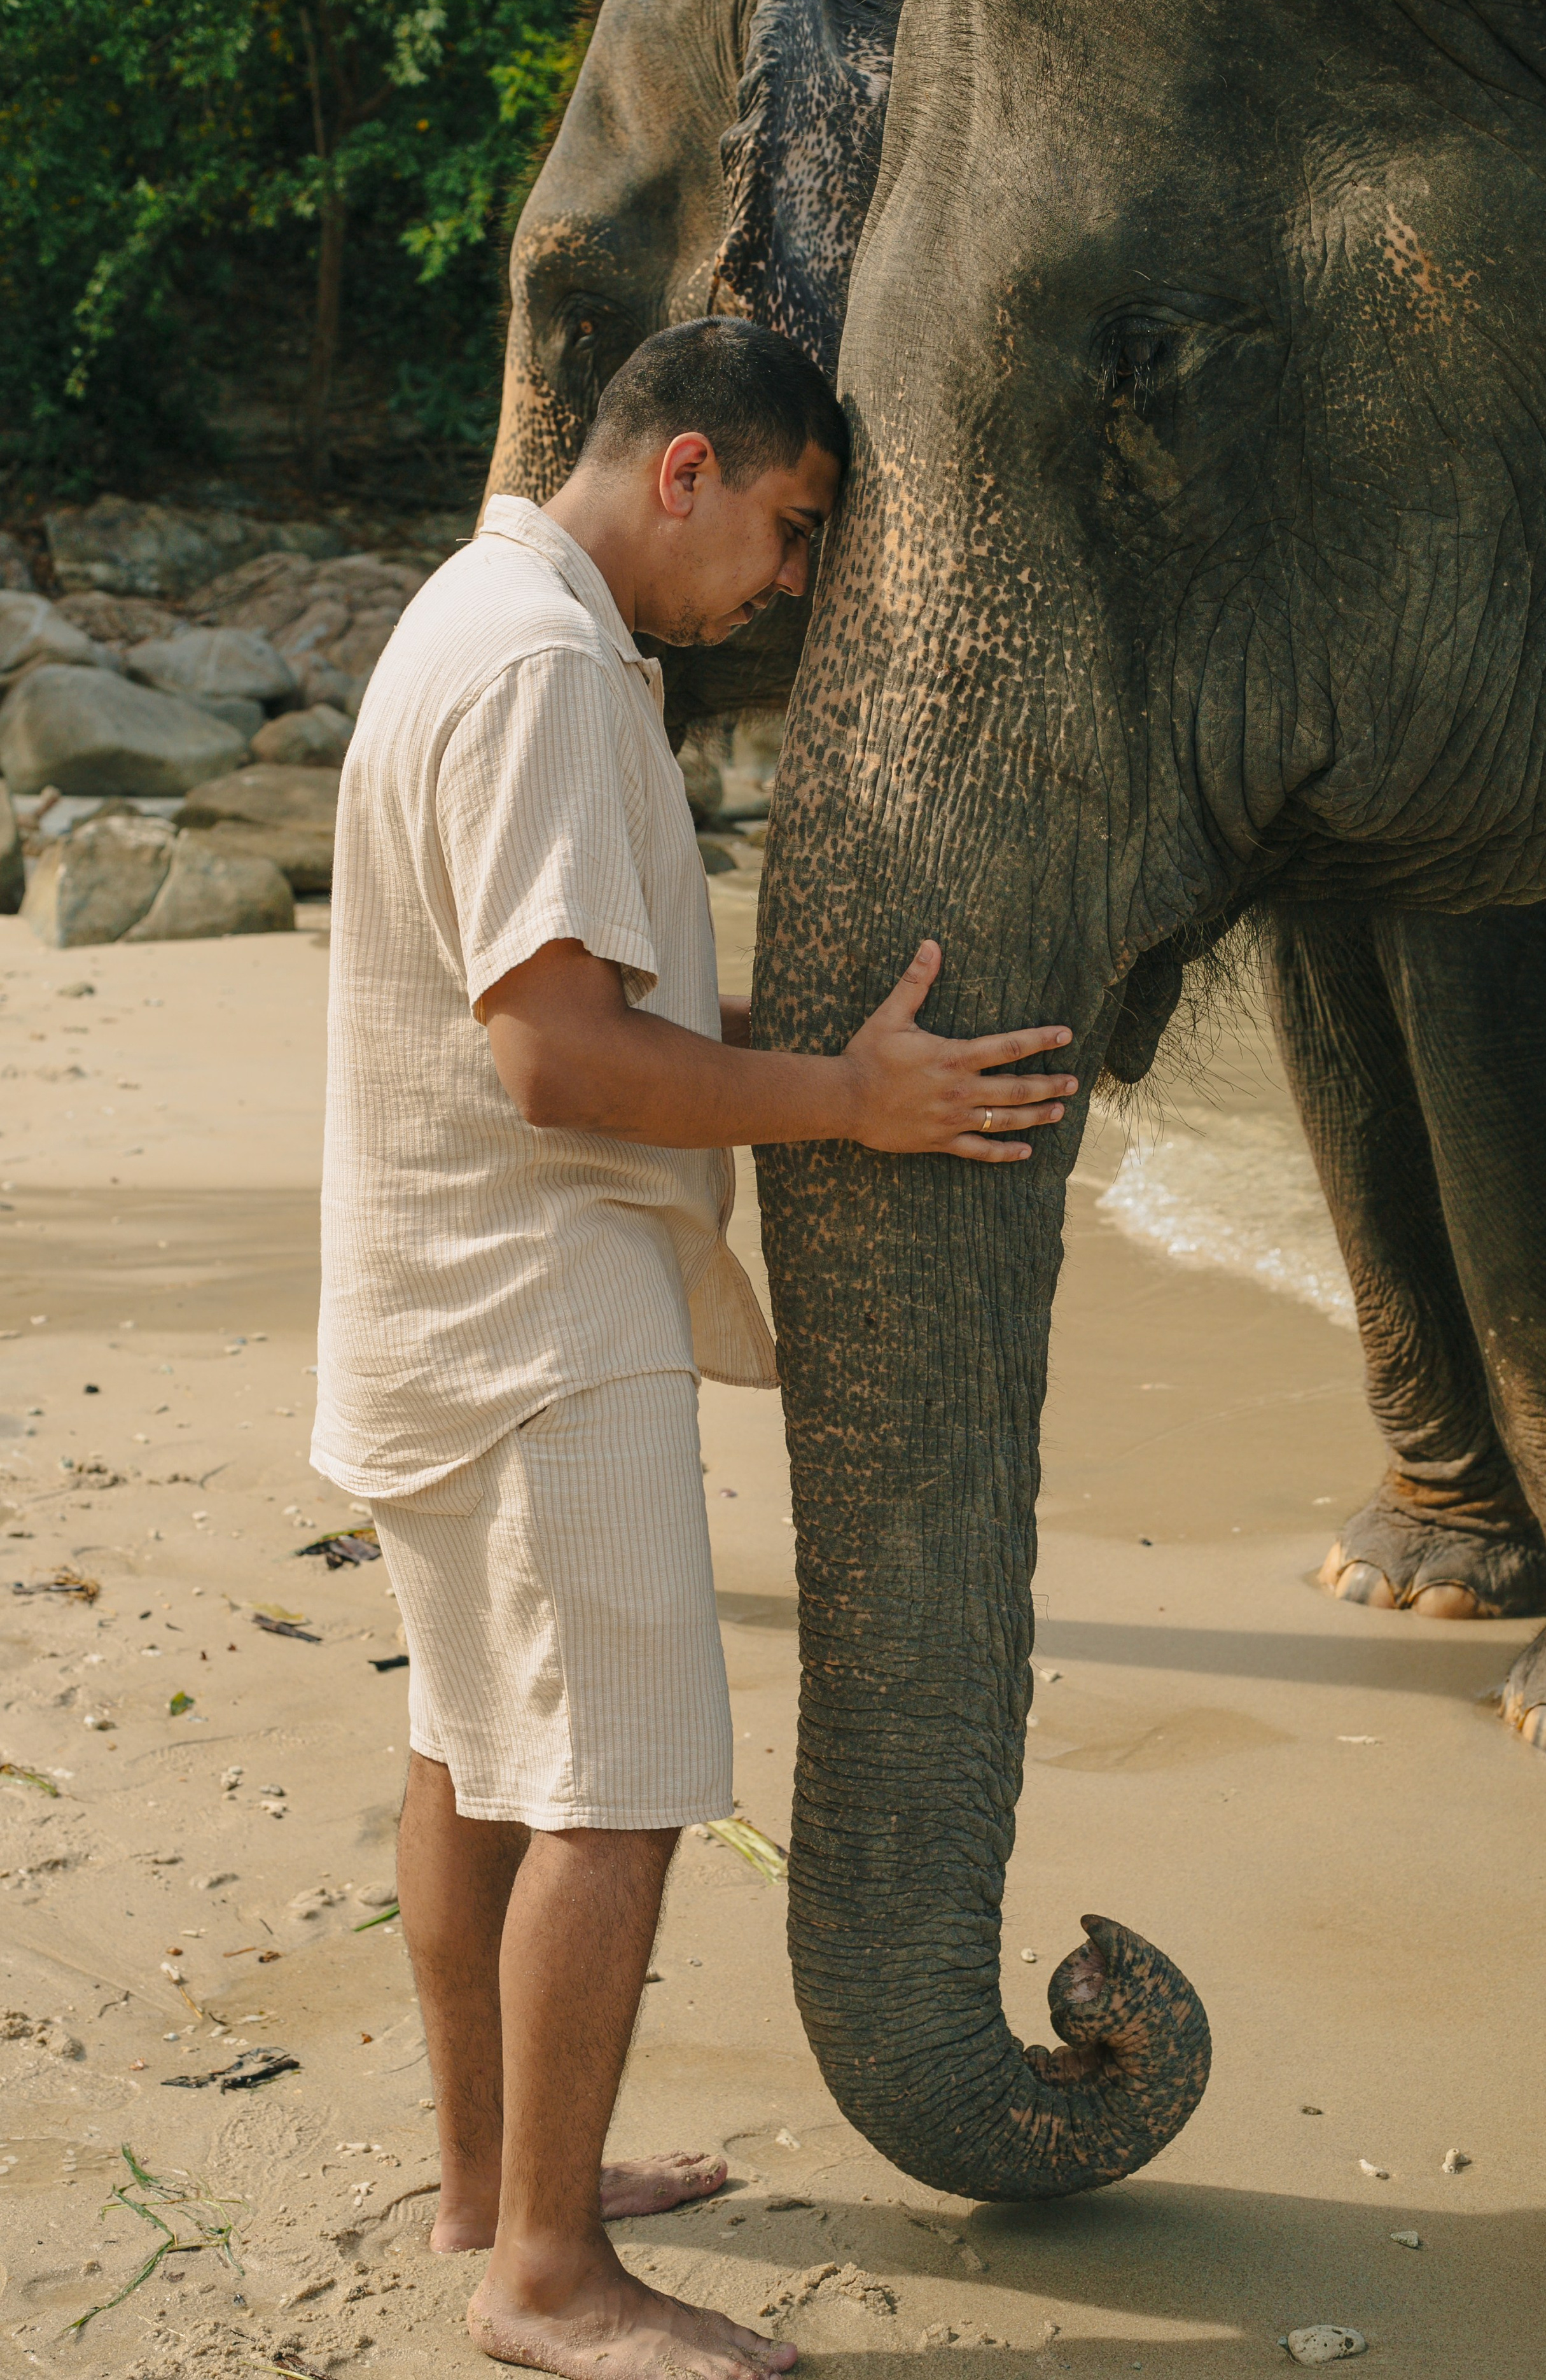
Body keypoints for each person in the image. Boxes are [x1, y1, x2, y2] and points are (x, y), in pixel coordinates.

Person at [312, 316, 1079, 2379]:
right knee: (614, 1787)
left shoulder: (483, 617)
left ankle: (491, 2184)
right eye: (793, 523)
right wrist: (850, 1105)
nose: (794, 579)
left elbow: (552, 999)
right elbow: (559, 1059)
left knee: (474, 1755)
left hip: (436, 1313)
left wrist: (803, 1056)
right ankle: (548, 2280)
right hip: (541, 1329)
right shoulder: (551, 671)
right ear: (686, 471)